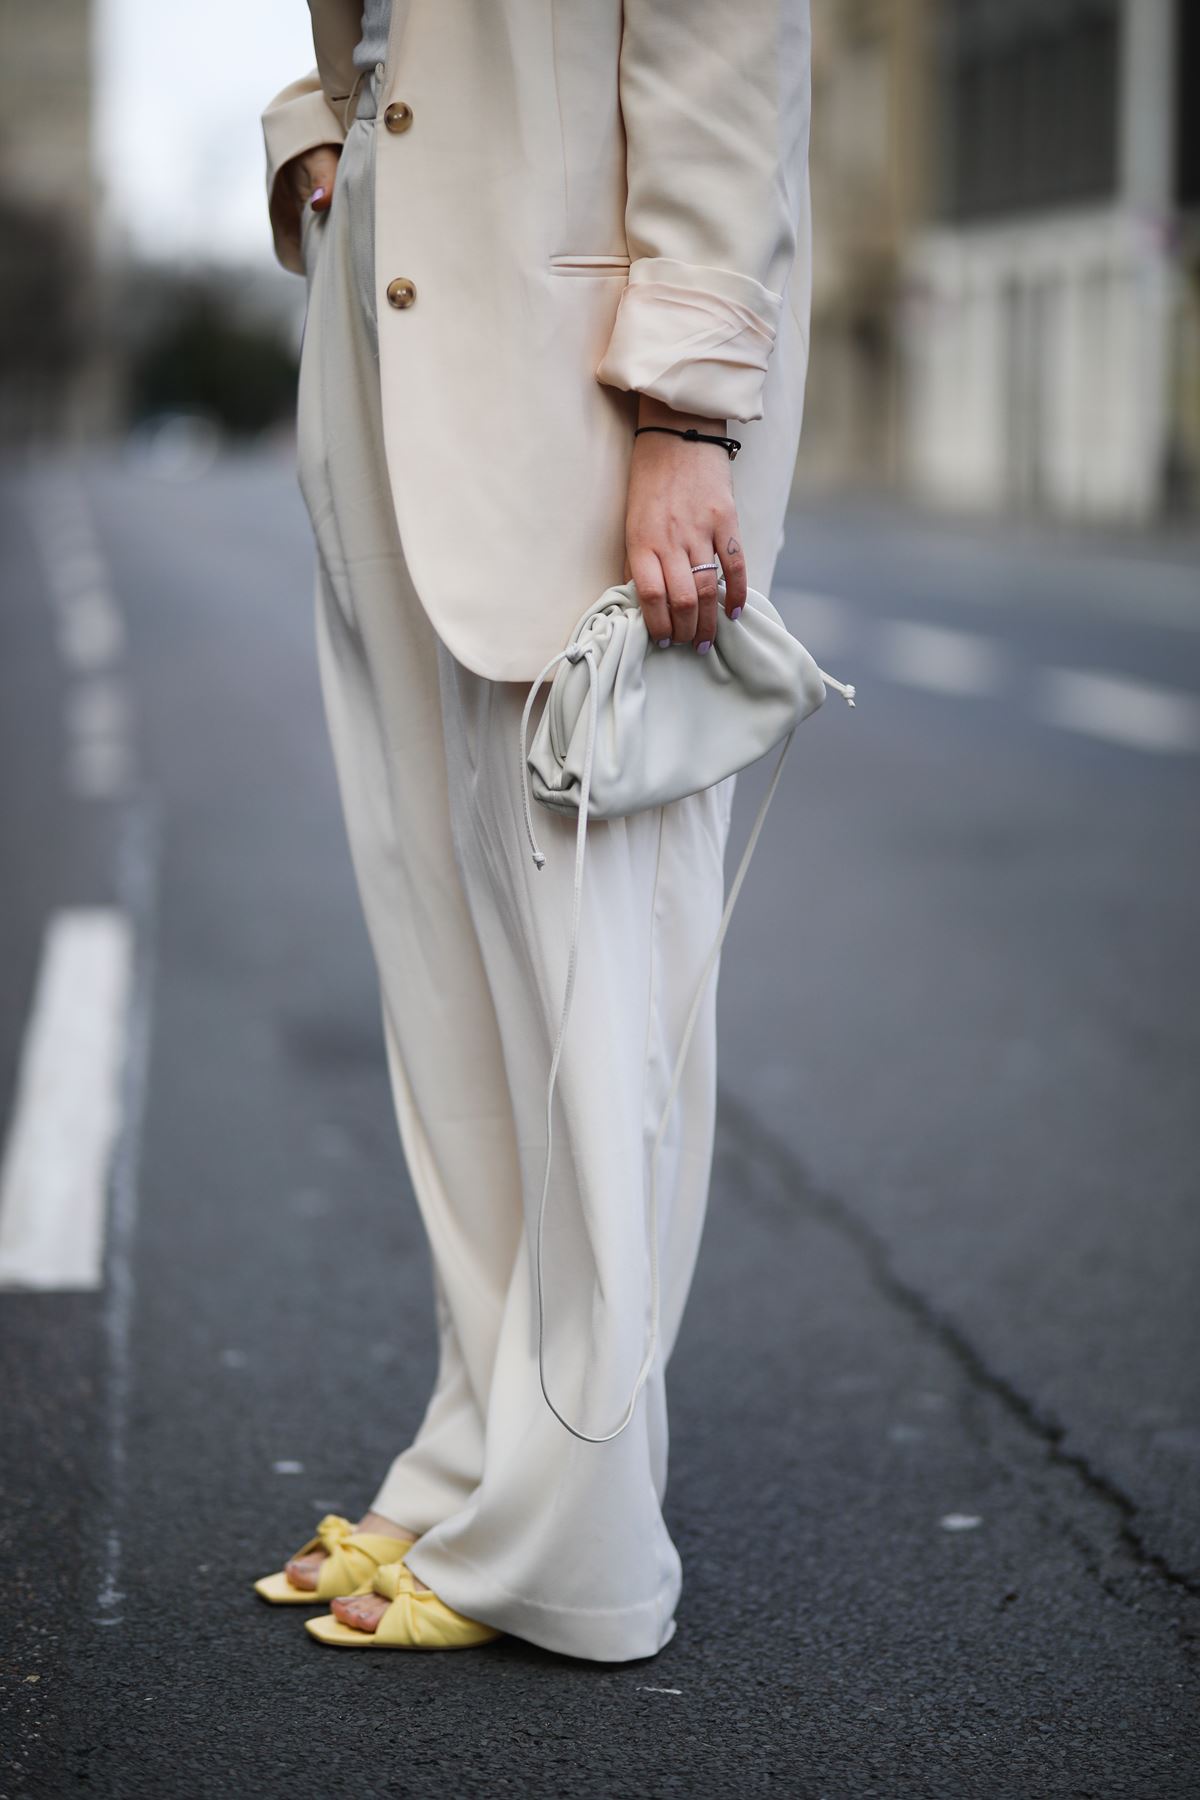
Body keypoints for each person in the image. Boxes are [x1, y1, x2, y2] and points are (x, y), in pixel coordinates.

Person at [253, 0, 813, 1661]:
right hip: (398, 333)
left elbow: (724, 48)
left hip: (584, 375)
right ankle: (472, 1457)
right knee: (442, 957)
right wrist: (322, 145)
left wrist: (689, 413)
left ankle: (575, 1541)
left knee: (587, 965)